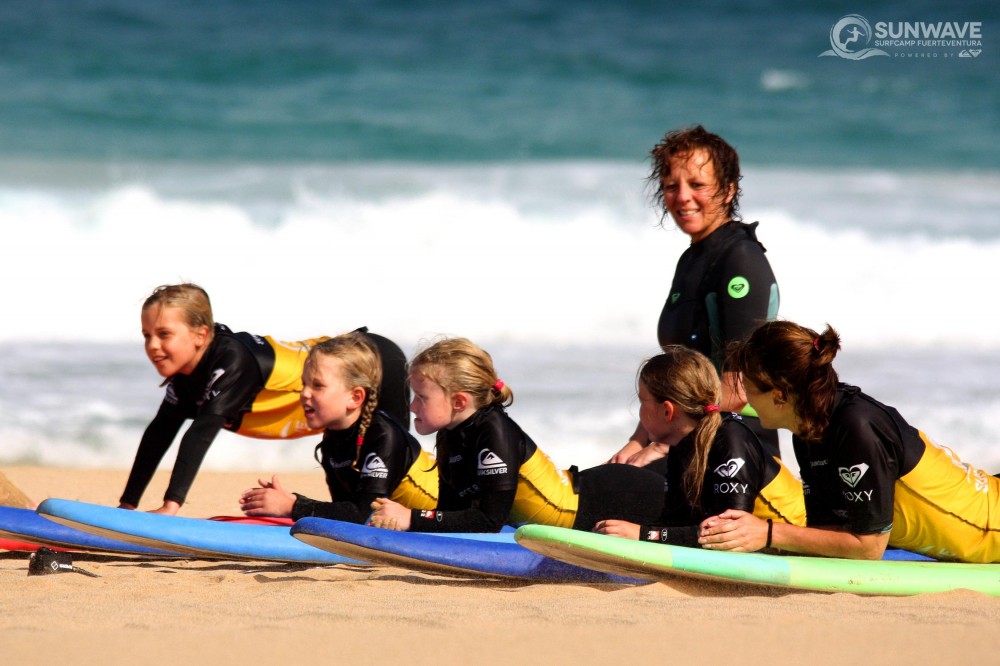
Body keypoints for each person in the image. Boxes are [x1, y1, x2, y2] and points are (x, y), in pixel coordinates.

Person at [698, 320, 1000, 563]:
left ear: (779, 395)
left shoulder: (857, 427)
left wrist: (767, 533)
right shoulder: (807, 428)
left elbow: (868, 547)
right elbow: (828, 532)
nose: (744, 398)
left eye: (749, 389)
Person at [118, 283, 411, 515]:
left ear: (200, 334)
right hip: (342, 376)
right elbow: (159, 434)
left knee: (386, 480)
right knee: (351, 481)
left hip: (374, 362)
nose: (152, 345)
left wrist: (171, 505)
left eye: (164, 334)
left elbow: (200, 432)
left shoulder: (232, 360)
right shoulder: (186, 377)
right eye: (146, 335)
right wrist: (128, 505)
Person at [368, 338, 668, 533]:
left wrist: (413, 518)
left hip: (617, 498)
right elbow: (452, 513)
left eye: (421, 397)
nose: (411, 406)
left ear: (459, 401)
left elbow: (489, 520)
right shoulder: (450, 434)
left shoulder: (493, 432)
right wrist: (412, 519)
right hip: (598, 487)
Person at [611, 125, 780, 464]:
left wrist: (662, 448)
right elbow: (677, 384)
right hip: (689, 442)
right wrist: (637, 441)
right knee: (597, 483)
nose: (682, 196)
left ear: (728, 190)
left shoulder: (740, 259)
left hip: (737, 449)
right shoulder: (693, 258)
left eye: (697, 184)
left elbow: (735, 392)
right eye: (672, 186)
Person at [594, 346, 804, 546]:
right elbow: (676, 521)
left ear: (667, 411)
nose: (639, 412)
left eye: (642, 402)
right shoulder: (682, 444)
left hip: (796, 536)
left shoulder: (730, 440)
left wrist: (642, 534)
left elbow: (726, 534)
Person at [239, 332, 437, 522]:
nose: (304, 393)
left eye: (317, 385)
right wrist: (289, 502)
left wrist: (292, 506)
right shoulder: (332, 439)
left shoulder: (384, 435)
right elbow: (345, 510)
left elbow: (363, 516)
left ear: (355, 397)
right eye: (304, 384)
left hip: (443, 524)